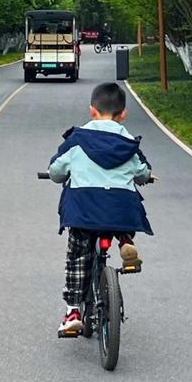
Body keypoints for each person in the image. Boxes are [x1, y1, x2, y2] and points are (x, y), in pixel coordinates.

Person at [47, 82, 155, 335]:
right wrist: (146, 177)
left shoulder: (77, 140)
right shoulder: (128, 142)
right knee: (125, 198)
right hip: (120, 211)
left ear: (92, 111)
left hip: (84, 211)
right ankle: (125, 239)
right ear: (123, 113)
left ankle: (73, 311)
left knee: (77, 256)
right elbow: (142, 172)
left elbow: (56, 171)